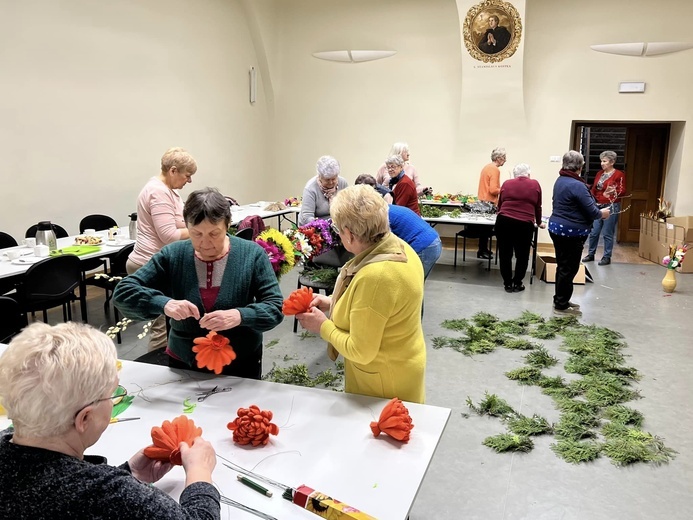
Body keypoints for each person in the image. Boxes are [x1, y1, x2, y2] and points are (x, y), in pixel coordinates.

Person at [0, 322, 220, 519]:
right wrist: (199, 473)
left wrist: (128, 474)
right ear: (84, 418)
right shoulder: (105, 492)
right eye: (112, 395)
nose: (114, 402)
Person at [114, 187, 283, 379]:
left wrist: (239, 315)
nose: (205, 243)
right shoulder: (173, 255)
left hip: (241, 361)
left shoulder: (252, 254)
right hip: (185, 362)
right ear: (186, 226)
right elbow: (123, 293)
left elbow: (274, 307)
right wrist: (164, 304)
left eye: (214, 234)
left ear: (228, 225)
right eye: (196, 234)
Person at [296, 185, 426, 404]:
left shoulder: (376, 276)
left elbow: (360, 350)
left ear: (350, 235)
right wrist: (331, 302)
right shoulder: (399, 246)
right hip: (404, 362)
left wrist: (322, 326)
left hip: (384, 381)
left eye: (338, 230)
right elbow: (379, 309)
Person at [127, 147, 197, 352]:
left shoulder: (169, 192)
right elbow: (169, 235)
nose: (189, 181)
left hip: (156, 261)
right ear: (173, 171)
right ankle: (158, 370)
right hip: (148, 263)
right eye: (187, 175)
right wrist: (201, 230)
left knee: (166, 324)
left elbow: (181, 224)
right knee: (161, 329)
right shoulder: (158, 192)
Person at [548, 151, 610, 316]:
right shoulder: (577, 184)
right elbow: (593, 212)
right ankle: (561, 305)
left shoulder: (561, 179)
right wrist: (603, 213)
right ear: (580, 167)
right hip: (571, 232)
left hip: (557, 228)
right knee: (569, 268)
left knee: (563, 266)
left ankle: (561, 299)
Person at [355, 174, 441, 280]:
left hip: (425, 245)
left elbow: (383, 243)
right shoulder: (384, 207)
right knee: (416, 283)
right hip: (433, 240)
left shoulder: (379, 214)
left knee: (411, 282)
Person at [495, 164, 544, 293]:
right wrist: (539, 222)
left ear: (515, 174)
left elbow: (500, 204)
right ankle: (517, 283)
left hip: (504, 221)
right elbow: (538, 207)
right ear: (528, 174)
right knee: (522, 255)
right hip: (524, 223)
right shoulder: (535, 184)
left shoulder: (507, 183)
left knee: (505, 254)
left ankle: (507, 284)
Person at [582, 150, 627, 266]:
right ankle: (591, 254)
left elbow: (622, 190)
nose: (602, 163)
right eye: (601, 161)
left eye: (604, 161)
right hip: (598, 205)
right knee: (594, 231)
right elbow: (594, 188)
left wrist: (613, 192)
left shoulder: (619, 174)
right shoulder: (599, 174)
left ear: (612, 162)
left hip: (611, 205)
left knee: (607, 232)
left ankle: (607, 256)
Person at [474, 147, 506, 259]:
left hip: (482, 200)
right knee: (486, 230)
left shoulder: (487, 167)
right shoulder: (495, 169)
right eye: (504, 158)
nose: (505, 160)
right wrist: (504, 189)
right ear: (498, 158)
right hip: (489, 203)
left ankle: (483, 249)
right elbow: (493, 190)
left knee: (484, 229)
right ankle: (482, 251)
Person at [298, 155, 348, 226]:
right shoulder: (310, 188)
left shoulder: (343, 183)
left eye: (333, 179)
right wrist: (323, 227)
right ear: (320, 177)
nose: (331, 182)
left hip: (336, 225)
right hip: (314, 226)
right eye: (327, 180)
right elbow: (307, 216)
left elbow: (347, 208)